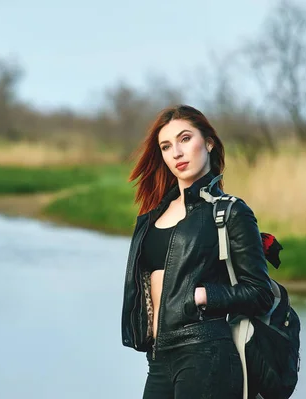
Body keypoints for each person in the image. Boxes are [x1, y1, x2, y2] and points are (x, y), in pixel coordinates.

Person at [121, 105, 275, 399]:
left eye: (185, 139)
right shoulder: (153, 216)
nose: (176, 153)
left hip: (205, 353)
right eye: (166, 146)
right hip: (158, 358)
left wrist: (203, 295)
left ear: (209, 142)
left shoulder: (230, 211)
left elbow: (260, 293)